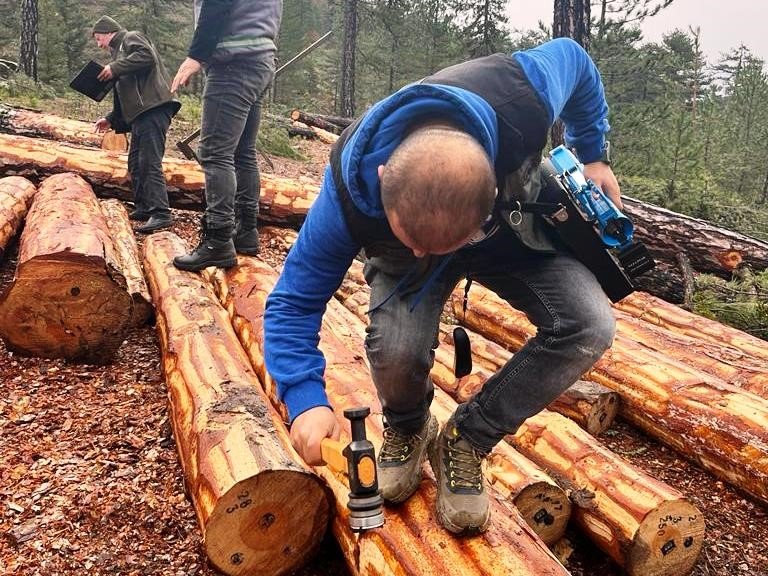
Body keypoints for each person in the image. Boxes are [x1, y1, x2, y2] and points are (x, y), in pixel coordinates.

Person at [263, 38, 619, 535]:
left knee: (588, 324)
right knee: (397, 349)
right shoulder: (350, 191)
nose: (428, 253)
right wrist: (304, 399)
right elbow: (292, 303)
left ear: (491, 189)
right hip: (422, 241)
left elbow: (577, 59)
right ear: (384, 178)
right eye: (416, 241)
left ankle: (468, 438)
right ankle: (409, 426)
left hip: (503, 233)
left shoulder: (524, 93)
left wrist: (594, 153)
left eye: (444, 243)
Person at [170, 0, 283, 271]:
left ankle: (218, 239)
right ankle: (246, 230)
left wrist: (196, 55)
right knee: (243, 152)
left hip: (234, 63)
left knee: (214, 153)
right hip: (260, 59)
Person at [92, 16, 181, 234]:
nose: (99, 44)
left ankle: (161, 213)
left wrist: (115, 67)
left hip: (154, 108)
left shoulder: (131, 38)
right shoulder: (119, 56)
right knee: (136, 162)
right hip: (141, 114)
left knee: (149, 161)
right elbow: (126, 94)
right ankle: (144, 207)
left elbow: (147, 57)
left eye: (98, 38)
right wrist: (111, 118)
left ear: (109, 32)